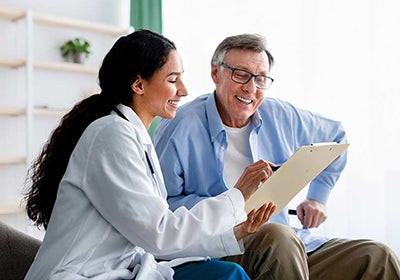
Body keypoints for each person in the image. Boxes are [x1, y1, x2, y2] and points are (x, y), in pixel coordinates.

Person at [23, 30, 277, 280]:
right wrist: (238, 195)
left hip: (124, 267)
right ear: (139, 84)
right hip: (83, 274)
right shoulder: (110, 135)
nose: (184, 90)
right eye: (172, 80)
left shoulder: (135, 136)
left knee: (229, 272)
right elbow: (160, 235)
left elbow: (154, 238)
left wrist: (234, 234)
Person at [153, 33, 400, 279]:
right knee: (278, 238)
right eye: (240, 74)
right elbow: (162, 207)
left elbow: (337, 137)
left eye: (260, 79)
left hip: (288, 245)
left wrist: (317, 198)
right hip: (221, 245)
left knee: (377, 256)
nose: (250, 88)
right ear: (215, 73)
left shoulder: (281, 115)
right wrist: (232, 204)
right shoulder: (180, 125)